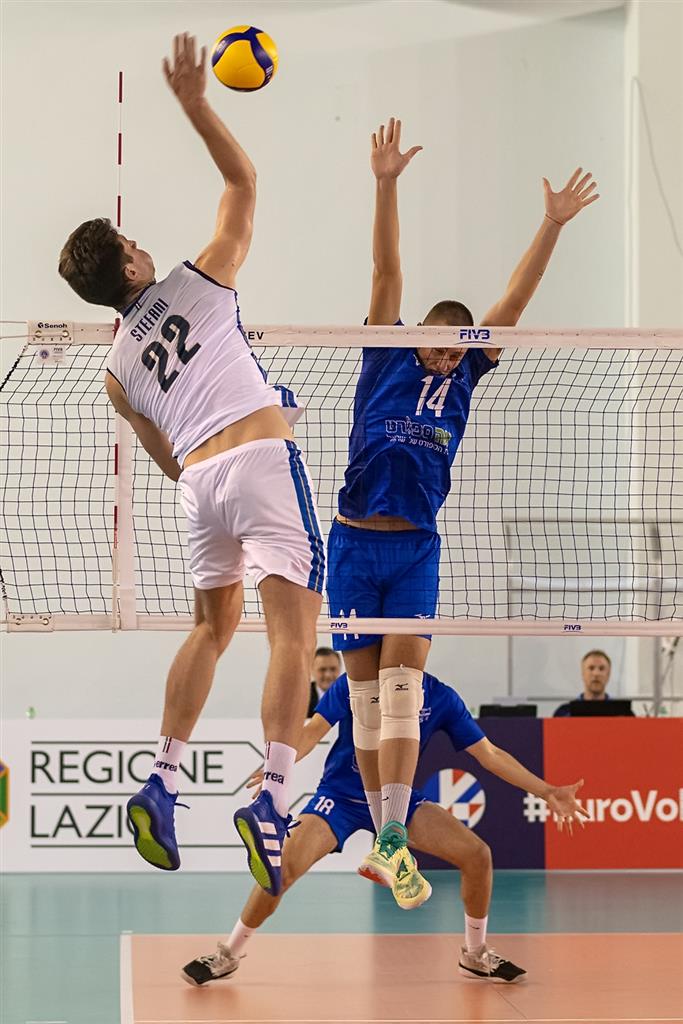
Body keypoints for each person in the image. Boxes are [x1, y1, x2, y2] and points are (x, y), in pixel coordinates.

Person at [57, 34, 324, 897]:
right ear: (132, 264)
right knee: (292, 636)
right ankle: (272, 796)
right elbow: (244, 184)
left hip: (200, 489)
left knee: (212, 630)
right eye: (133, 242)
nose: (143, 245)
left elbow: (171, 462)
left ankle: (162, 780)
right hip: (258, 461)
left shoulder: (114, 372)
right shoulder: (196, 282)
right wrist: (194, 103)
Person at [327, 116, 599, 904]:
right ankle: (384, 832)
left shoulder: (469, 374)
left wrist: (550, 225)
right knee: (363, 699)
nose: (449, 356)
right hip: (353, 543)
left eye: (459, 347)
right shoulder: (385, 350)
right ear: (419, 334)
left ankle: (390, 840)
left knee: (402, 690)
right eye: (441, 344)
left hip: (415, 547)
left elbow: (512, 299)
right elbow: (386, 267)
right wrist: (385, 184)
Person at [180, 670, 587, 984]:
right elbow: (313, 730)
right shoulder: (353, 683)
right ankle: (228, 954)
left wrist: (547, 790)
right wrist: (278, 768)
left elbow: (490, 754)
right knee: (280, 870)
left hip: (398, 801)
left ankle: (475, 954)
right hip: (340, 797)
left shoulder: (440, 697)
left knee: (477, 855)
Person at [554, 649, 613, 717]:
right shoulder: (564, 713)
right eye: (591, 668)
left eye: (601, 669)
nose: (596, 673)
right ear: (583, 673)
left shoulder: (619, 713)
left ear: (608, 674)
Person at [307, 647, 342, 717]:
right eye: (322, 669)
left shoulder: (350, 695)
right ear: (311, 670)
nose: (328, 675)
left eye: (333, 669)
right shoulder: (302, 696)